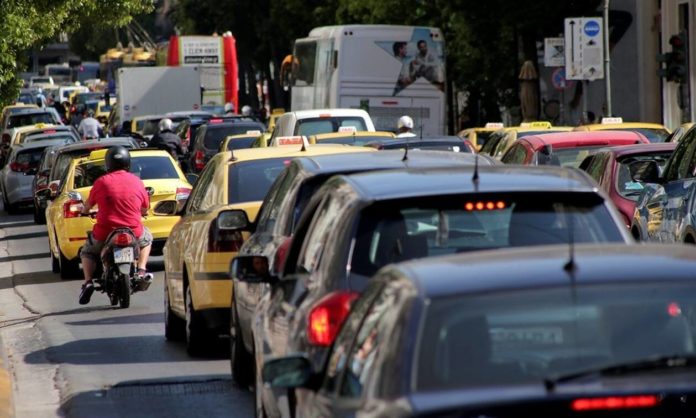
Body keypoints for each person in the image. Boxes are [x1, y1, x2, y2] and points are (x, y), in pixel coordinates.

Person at [78, 146, 153, 305]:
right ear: (128, 163)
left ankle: (88, 282)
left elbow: (87, 206)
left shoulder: (101, 182)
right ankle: (141, 270)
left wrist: (84, 211)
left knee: (87, 252)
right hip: (133, 231)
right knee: (147, 239)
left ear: (108, 164)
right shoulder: (137, 181)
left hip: (105, 232)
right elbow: (145, 208)